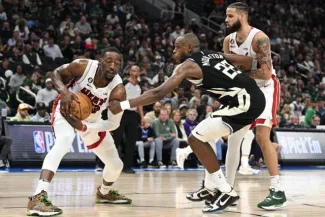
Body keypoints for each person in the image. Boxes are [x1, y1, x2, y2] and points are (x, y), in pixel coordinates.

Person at [108, 33, 266, 213]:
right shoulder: (212, 55)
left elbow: (158, 93)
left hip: (244, 102)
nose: (173, 49)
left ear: (189, 48)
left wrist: (122, 105)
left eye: (177, 46)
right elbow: (246, 61)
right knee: (203, 137)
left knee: (196, 139)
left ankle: (226, 191)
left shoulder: (188, 65)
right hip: (249, 97)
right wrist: (238, 80)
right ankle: (210, 187)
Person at [27, 47, 132, 216]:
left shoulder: (118, 91)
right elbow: (55, 73)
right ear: (100, 62)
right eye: (109, 61)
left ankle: (104, 193)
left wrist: (85, 127)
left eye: (117, 63)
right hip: (67, 110)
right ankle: (37, 197)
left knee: (116, 165)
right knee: (65, 139)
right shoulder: (82, 66)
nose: (113, 66)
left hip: (92, 122)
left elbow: (113, 124)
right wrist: (65, 92)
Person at [222, 2, 286, 210]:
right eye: (226, 16)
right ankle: (227, 189)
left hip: (266, 87)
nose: (226, 20)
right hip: (245, 88)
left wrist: (239, 75)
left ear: (242, 16)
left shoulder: (260, 39)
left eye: (230, 16)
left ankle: (277, 191)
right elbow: (228, 72)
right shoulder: (227, 41)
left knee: (261, 136)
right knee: (233, 136)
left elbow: (266, 73)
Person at [112, 65, 143, 174]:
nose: (136, 72)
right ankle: (106, 164)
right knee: (116, 139)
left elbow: (140, 103)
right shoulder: (124, 83)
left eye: (138, 70)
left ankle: (127, 166)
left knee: (132, 141)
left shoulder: (140, 86)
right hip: (122, 113)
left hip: (133, 115)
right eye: (134, 70)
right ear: (129, 72)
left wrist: (142, 117)